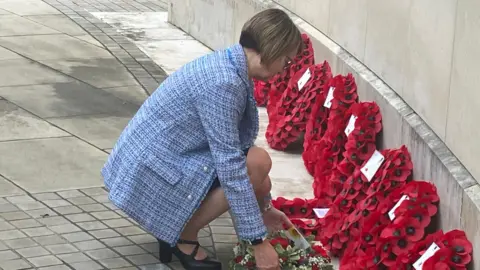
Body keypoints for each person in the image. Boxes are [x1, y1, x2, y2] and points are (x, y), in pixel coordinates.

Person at [102, 8, 303, 270]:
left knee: (257, 167)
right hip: (150, 172)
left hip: (163, 157)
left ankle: (175, 230)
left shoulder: (229, 64)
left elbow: (238, 149)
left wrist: (265, 210)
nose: (284, 70)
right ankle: (182, 236)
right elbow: (230, 164)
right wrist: (257, 242)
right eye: (286, 61)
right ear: (272, 48)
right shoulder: (224, 82)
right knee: (256, 162)